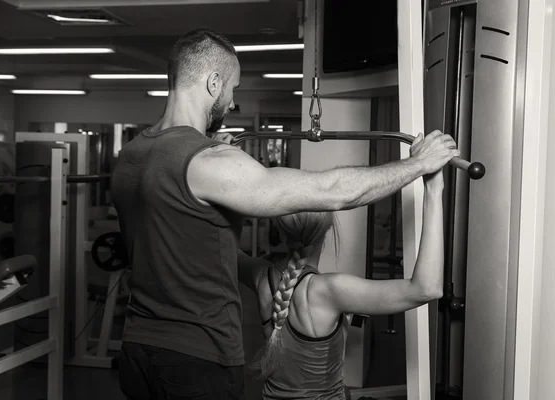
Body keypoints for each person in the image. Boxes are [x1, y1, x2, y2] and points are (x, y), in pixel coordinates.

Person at [111, 27, 459, 400]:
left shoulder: (131, 156)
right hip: (196, 360)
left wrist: (212, 149)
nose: (232, 102)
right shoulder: (209, 162)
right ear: (213, 82)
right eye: (233, 89)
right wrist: (419, 167)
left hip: (137, 350)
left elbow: (187, 238)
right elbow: (333, 192)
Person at [240, 164, 444, 400]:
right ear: (328, 228)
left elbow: (221, 249)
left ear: (280, 228)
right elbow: (427, 288)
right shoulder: (330, 290)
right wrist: (434, 188)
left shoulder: (260, 276)